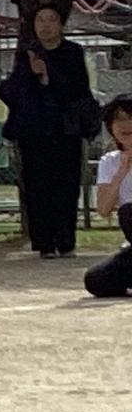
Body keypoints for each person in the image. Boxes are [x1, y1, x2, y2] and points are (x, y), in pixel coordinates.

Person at [0, 4, 98, 259]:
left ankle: (65, 240)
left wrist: (48, 76)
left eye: (51, 20)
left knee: (66, 186)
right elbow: (13, 92)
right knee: (37, 187)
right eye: (40, 20)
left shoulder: (73, 53)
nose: (45, 25)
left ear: (61, 24)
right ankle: (43, 242)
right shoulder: (27, 55)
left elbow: (78, 90)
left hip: (65, 130)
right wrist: (32, 76)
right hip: (35, 131)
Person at [82, 97, 132, 298]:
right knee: (95, 280)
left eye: (130, 118)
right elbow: (103, 209)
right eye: (118, 120)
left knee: (129, 212)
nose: (125, 125)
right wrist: (121, 171)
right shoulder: (109, 162)